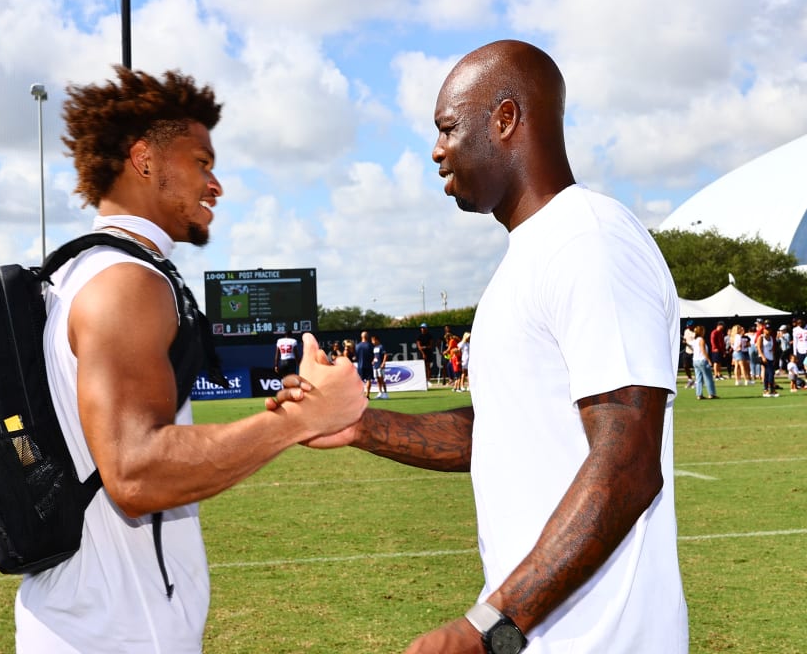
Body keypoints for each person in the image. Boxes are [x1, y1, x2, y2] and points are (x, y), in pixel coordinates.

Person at [277, 40, 687, 652]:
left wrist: (492, 625)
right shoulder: (529, 257)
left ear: (504, 120)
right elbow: (498, 431)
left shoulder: (589, 242)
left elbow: (627, 463)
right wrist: (360, 425)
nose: (436, 151)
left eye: (447, 128)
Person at [14, 67, 366, 654]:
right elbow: (135, 471)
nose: (216, 183)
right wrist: (303, 418)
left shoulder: (79, 272)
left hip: (85, 623)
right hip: (116, 636)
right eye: (202, 162)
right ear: (145, 159)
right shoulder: (125, 282)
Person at [691, 325, 717, 400]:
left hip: (695, 360)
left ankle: (699, 394)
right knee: (708, 377)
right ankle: (711, 393)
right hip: (702, 360)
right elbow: (703, 350)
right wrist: (709, 360)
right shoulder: (701, 340)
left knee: (698, 378)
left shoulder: (695, 340)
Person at [370, 333, 390, 400]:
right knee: (378, 380)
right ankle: (380, 393)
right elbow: (375, 356)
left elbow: (385, 355)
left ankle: (385, 393)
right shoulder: (374, 348)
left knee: (382, 379)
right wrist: (373, 361)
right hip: (375, 366)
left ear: (377, 340)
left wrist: (383, 363)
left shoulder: (381, 346)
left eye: (373, 340)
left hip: (380, 366)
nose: (372, 342)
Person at [356, 330, 375, 399]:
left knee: (360, 381)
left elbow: (355, 357)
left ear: (361, 337)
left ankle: (360, 395)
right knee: (368, 379)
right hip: (368, 365)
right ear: (367, 337)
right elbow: (374, 356)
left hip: (360, 365)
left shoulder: (357, 346)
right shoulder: (370, 345)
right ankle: (367, 394)